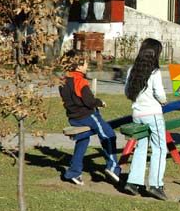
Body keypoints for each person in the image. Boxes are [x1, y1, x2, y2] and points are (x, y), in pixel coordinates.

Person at [59, 50, 121, 185]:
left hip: (73, 117)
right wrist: (100, 103)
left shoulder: (63, 80)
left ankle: (74, 172)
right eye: (86, 63)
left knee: (83, 140)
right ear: (78, 66)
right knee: (109, 135)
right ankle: (113, 167)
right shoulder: (80, 81)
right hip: (88, 116)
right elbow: (89, 101)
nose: (87, 65)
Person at [123, 38, 168, 201]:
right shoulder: (155, 72)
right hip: (153, 114)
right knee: (160, 148)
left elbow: (127, 91)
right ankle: (156, 184)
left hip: (137, 114)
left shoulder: (132, 70)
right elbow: (160, 94)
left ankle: (133, 182)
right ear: (155, 54)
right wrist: (164, 101)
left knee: (141, 148)